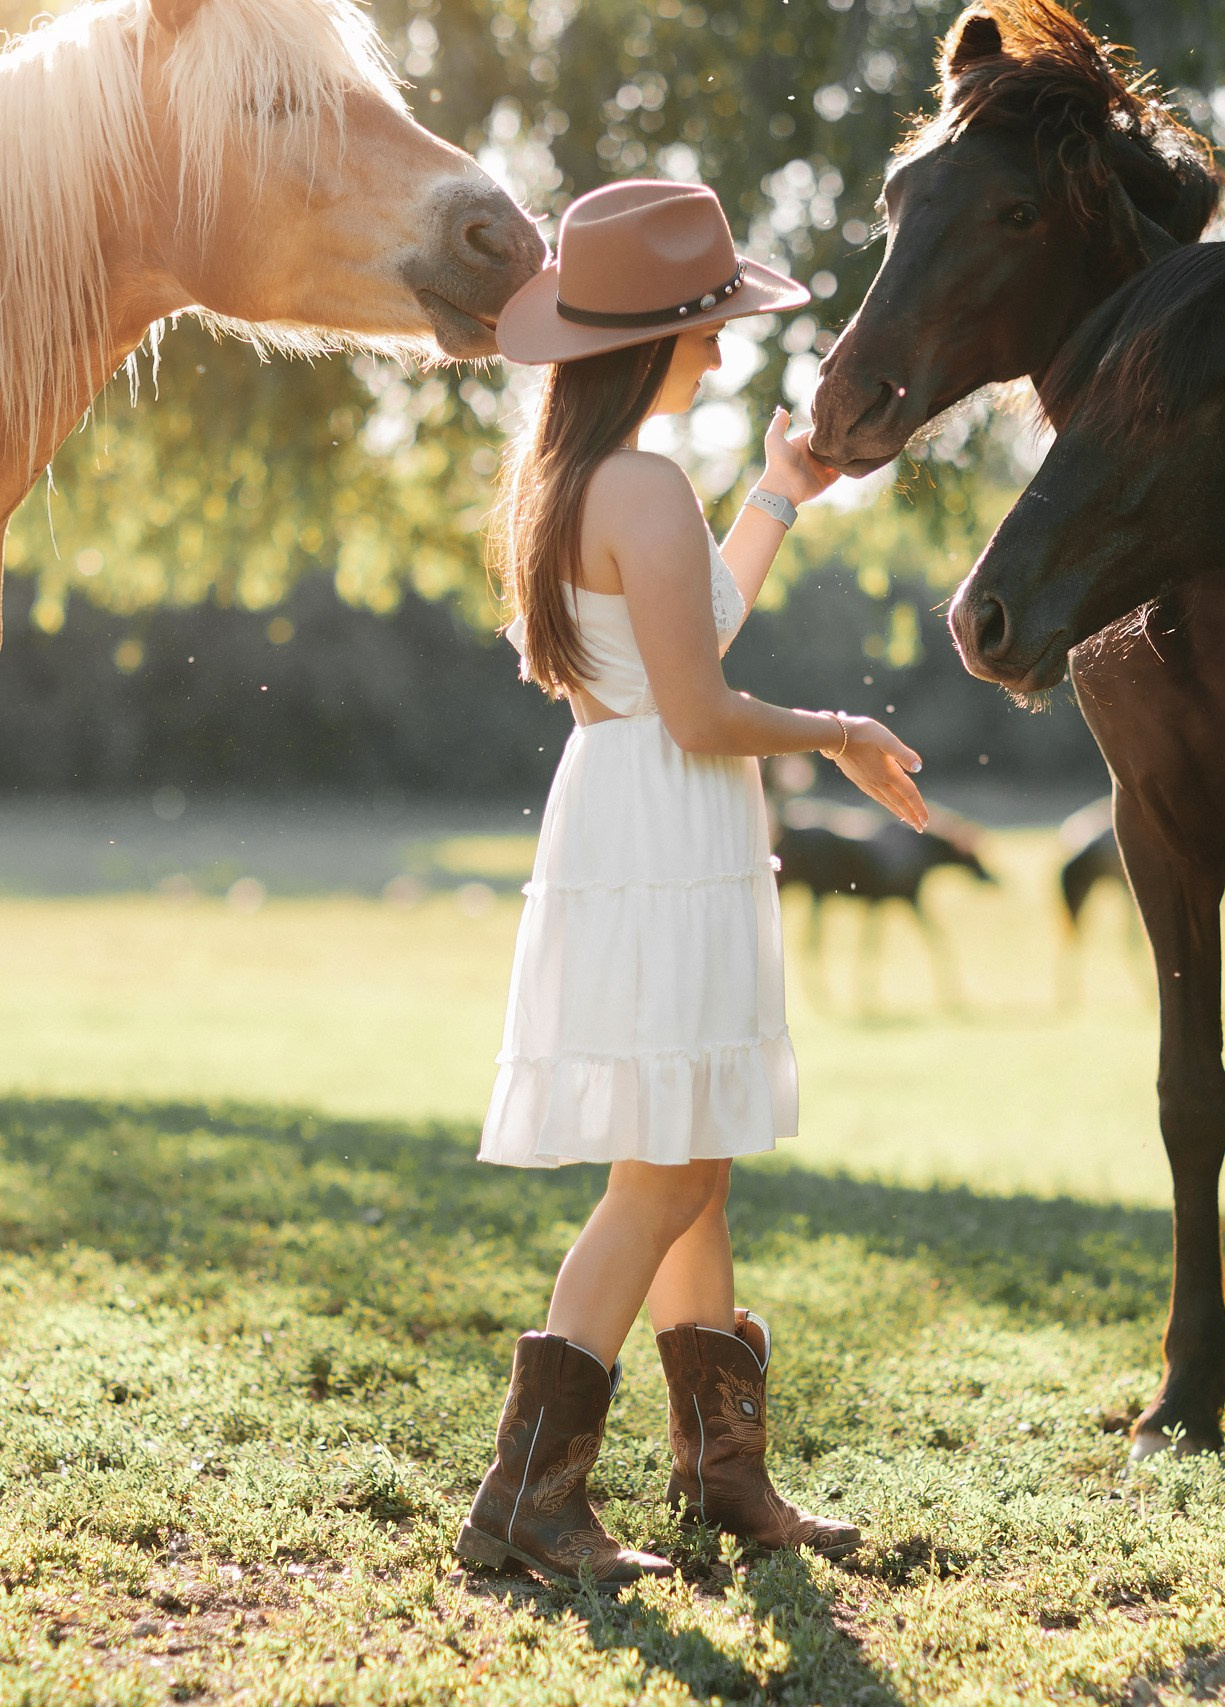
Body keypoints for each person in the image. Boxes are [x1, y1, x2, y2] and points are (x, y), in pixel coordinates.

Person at [456, 180, 927, 1586]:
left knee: (693, 1156)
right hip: (665, 824)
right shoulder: (640, 485)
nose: (720, 354)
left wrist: (781, 494)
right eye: (708, 326)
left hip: (648, 818)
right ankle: (527, 1503)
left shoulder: (592, 483)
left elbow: (689, 629)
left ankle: (727, 1481)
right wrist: (840, 731)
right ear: (654, 336)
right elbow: (705, 709)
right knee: (660, 1175)